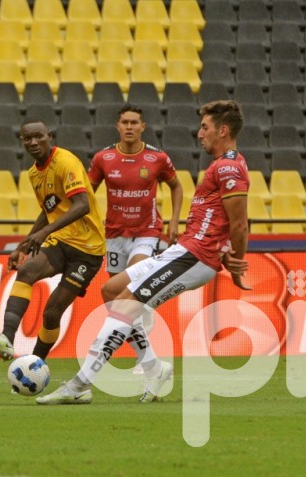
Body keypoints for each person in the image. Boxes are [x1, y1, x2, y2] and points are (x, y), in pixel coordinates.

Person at [36, 100, 250, 405]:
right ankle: (153, 366)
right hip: (185, 250)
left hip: (194, 257)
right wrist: (225, 248)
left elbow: (240, 223)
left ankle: (80, 384)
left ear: (223, 130)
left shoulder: (229, 166)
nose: (199, 133)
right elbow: (222, 221)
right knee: (111, 291)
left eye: (205, 127)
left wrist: (237, 262)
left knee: (126, 305)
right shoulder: (222, 164)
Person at [0, 119, 106, 361]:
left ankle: (35, 364)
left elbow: (82, 205)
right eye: (27, 138)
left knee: (52, 313)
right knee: (26, 270)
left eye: (38, 137)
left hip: (88, 249)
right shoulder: (34, 173)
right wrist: (22, 247)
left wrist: (45, 233)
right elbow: (48, 210)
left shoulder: (66, 162)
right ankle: (6, 339)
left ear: (49, 136)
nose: (33, 142)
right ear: (21, 142)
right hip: (62, 240)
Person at [87, 104, 184, 373]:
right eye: (125, 122)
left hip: (146, 232)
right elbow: (86, 193)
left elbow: (176, 186)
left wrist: (174, 220)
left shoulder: (157, 158)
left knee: (136, 282)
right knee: (118, 296)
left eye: (134, 122)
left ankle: (145, 357)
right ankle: (145, 356)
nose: (129, 127)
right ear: (117, 126)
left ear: (143, 127)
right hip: (115, 234)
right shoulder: (103, 158)